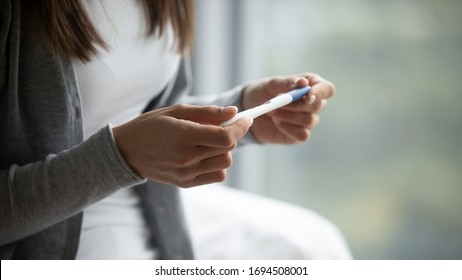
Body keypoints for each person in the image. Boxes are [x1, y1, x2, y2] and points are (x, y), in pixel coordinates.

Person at [0, 0, 349, 259]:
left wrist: (245, 110)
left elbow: (141, 109)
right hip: (47, 244)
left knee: (314, 246)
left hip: (154, 209)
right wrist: (119, 159)